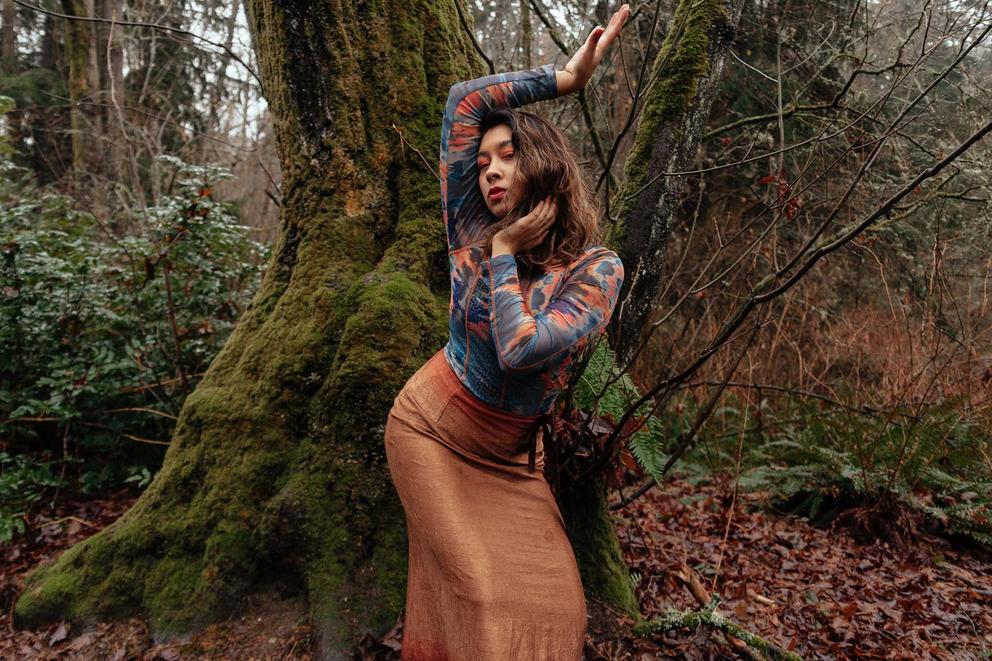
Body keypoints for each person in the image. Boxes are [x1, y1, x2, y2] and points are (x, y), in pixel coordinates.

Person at [384, 5, 630, 659]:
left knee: (559, 607)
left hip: (514, 461)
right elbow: (466, 100)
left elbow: (525, 347)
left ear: (543, 165)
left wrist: (504, 256)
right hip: (431, 430)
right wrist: (564, 79)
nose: (489, 169)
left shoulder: (597, 270)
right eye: (484, 160)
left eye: (508, 156)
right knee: (485, 600)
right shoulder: (470, 225)